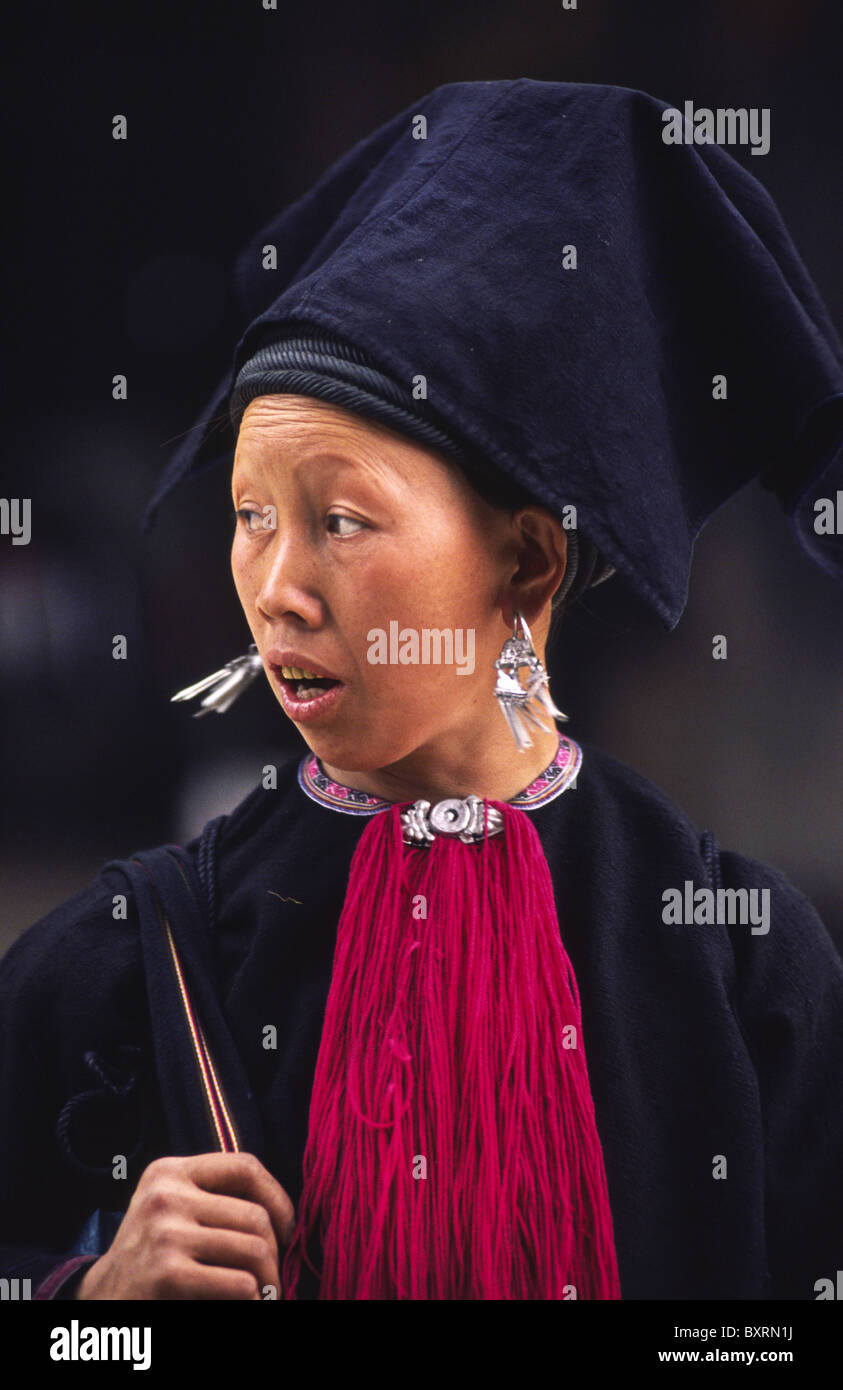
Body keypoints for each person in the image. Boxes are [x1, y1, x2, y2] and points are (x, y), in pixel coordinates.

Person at [1, 78, 841, 1301]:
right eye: (248, 518)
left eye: (339, 520)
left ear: (530, 558)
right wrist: (91, 1304)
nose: (277, 588)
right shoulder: (136, 956)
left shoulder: (740, 973)